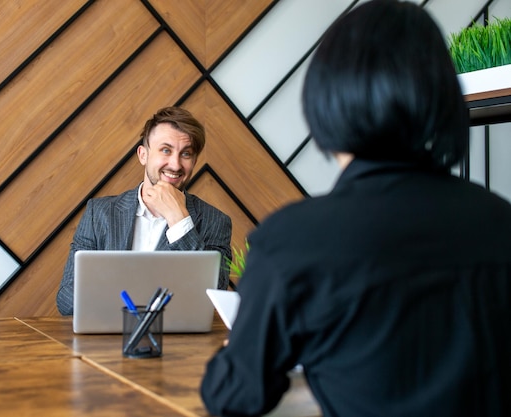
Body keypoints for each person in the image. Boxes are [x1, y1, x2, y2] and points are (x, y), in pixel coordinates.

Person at [200, 1, 511, 416]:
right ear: (441, 96)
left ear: (325, 100)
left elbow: (234, 397)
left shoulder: (292, 240)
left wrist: (241, 349)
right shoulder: (501, 222)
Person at [57, 106, 232, 315]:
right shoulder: (99, 213)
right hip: (103, 341)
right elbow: (67, 299)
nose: (175, 165)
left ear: (194, 161)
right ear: (143, 155)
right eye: (165, 150)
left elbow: (213, 299)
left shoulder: (215, 221)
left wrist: (179, 220)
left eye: (186, 154)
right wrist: (129, 313)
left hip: (177, 343)